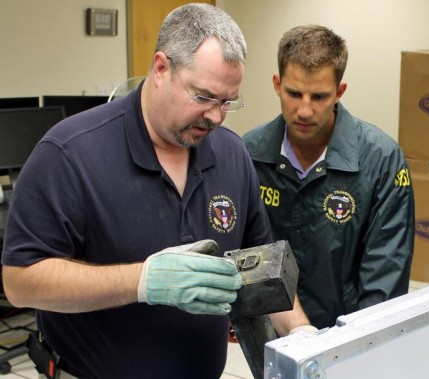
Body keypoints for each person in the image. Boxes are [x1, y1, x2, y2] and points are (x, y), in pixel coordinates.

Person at [0, 4, 310, 378]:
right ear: (161, 69)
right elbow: (19, 282)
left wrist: (301, 335)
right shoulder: (70, 153)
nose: (215, 116)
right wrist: (143, 281)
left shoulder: (230, 153)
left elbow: (264, 266)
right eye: (203, 97)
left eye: (227, 102)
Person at [243, 25, 415, 330]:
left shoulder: (381, 159)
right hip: (271, 327)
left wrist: (360, 345)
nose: (305, 110)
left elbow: (385, 274)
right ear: (276, 84)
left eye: (319, 96)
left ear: (340, 92)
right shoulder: (249, 152)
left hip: (346, 335)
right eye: (294, 94)